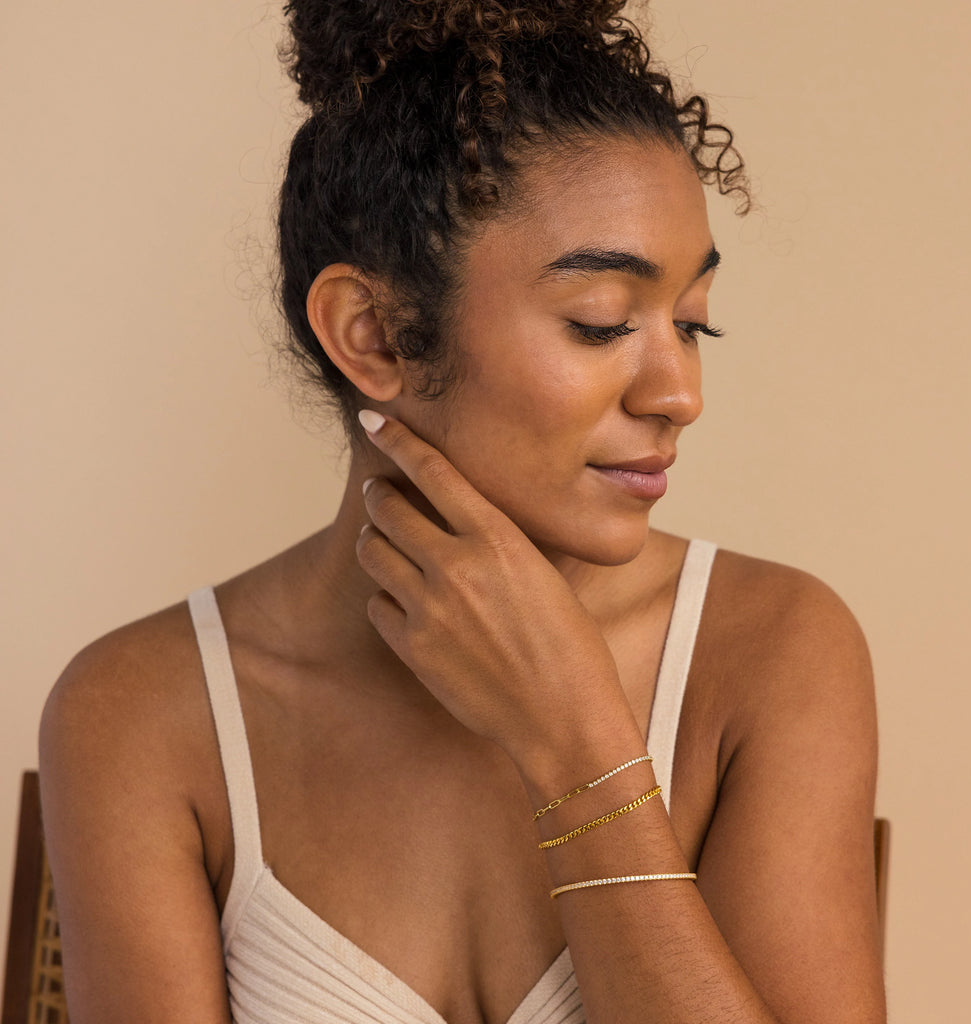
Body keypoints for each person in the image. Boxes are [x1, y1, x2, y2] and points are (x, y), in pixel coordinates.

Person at [38, 1, 886, 1022]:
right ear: (377, 334)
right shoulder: (144, 716)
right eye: (602, 322)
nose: (678, 393)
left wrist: (576, 744)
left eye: (692, 323)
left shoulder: (774, 654)